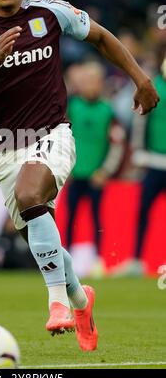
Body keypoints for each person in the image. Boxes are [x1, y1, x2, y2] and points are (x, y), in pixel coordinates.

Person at [0, 0, 159, 351]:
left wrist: (141, 78)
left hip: (54, 134)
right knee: (38, 235)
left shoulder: (50, 13)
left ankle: (57, 302)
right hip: (6, 147)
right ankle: (81, 300)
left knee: (31, 195)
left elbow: (101, 37)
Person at [66, 61, 126, 278]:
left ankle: (99, 261)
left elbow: (117, 146)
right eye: (86, 81)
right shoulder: (71, 107)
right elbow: (61, 139)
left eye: (94, 81)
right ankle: (67, 261)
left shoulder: (108, 111)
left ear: (101, 84)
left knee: (96, 219)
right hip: (75, 174)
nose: (90, 85)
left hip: (96, 176)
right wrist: (65, 167)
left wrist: (105, 171)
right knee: (70, 218)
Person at [111, 53, 166, 277]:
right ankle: (136, 259)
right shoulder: (154, 86)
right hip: (154, 159)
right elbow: (141, 119)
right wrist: (139, 153)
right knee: (143, 211)